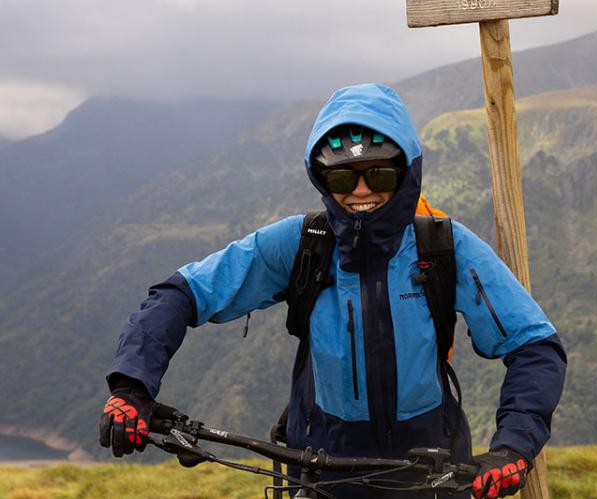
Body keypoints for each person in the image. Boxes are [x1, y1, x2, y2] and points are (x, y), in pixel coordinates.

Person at [99, 83, 566, 498]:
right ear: (319, 178)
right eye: (342, 177)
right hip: (321, 474)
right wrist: (132, 386)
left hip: (431, 476)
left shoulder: (442, 247)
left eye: (380, 174)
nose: (360, 191)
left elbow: (535, 346)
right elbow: (182, 293)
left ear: (407, 172)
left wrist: (513, 449)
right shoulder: (303, 244)